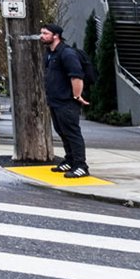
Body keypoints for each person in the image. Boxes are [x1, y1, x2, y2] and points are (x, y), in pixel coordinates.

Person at [38, 21, 92, 178]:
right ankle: (70, 160)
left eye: (45, 33)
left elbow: (76, 76)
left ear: (56, 36)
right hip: (55, 101)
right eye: (42, 33)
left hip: (67, 101)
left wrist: (77, 96)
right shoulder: (49, 53)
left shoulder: (67, 53)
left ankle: (81, 166)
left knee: (72, 133)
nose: (42, 36)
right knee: (62, 131)